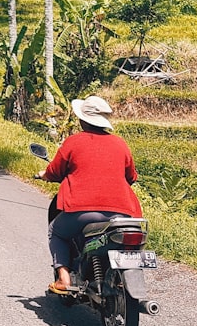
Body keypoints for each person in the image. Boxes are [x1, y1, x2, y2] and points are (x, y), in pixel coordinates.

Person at [37, 95, 141, 295]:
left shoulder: (73, 142)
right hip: (122, 214)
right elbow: (131, 176)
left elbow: (55, 171)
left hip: (81, 210)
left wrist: (44, 175)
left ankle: (63, 278)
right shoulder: (121, 144)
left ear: (82, 119)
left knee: (56, 232)